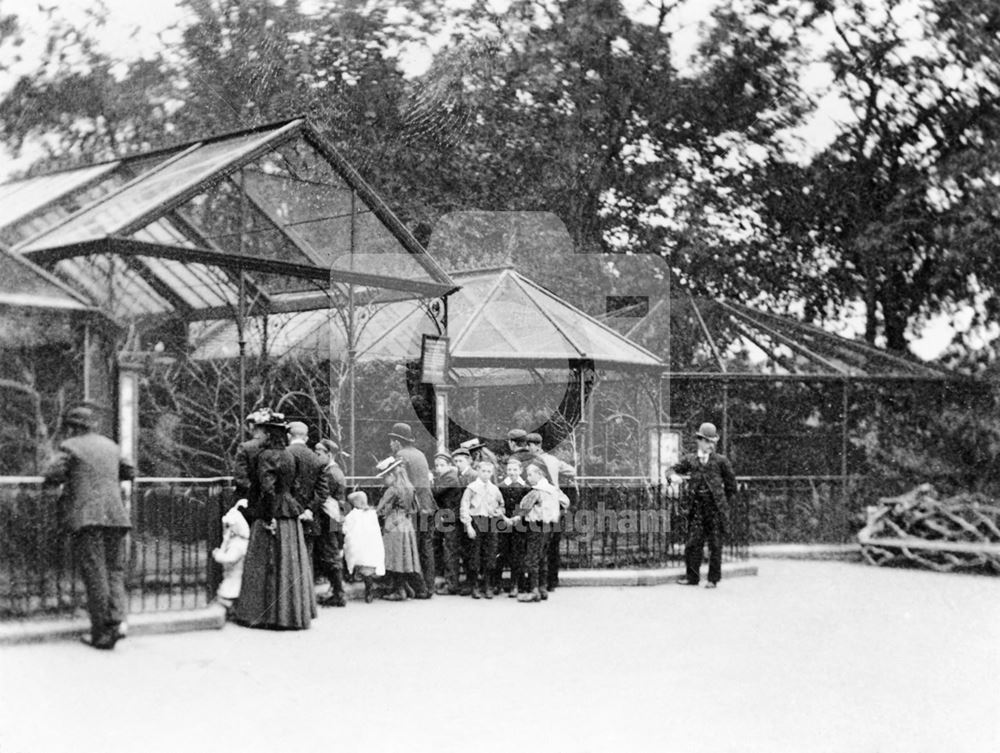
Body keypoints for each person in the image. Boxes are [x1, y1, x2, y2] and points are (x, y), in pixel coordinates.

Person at [42, 406, 135, 650]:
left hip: (87, 518)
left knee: (95, 573)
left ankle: (101, 634)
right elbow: (130, 471)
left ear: (73, 427)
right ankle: (118, 622)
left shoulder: (70, 446)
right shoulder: (111, 446)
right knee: (114, 570)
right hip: (116, 516)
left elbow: (52, 473)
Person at [232, 413, 317, 629]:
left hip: (271, 513)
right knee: (290, 563)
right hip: (289, 513)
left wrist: (269, 517)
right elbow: (296, 486)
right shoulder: (289, 455)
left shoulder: (266, 456)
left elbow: (267, 489)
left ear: (269, 434)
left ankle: (264, 615)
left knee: (265, 563)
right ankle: (291, 614)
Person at [669, 422, 737, 589]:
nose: (710, 445)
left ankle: (713, 579)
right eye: (707, 441)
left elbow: (731, 486)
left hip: (715, 510)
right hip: (697, 508)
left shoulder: (721, 461)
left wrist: (722, 503)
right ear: (699, 441)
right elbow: (670, 470)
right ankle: (692, 578)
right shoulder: (690, 460)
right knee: (693, 544)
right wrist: (673, 477)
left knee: (715, 544)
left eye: (713, 442)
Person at [388, 423, 436, 599]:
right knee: (426, 547)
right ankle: (429, 586)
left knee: (410, 547)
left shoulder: (400, 456)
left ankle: (418, 587)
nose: (390, 445)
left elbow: (403, 485)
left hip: (413, 508)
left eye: (392, 441)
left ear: (398, 442)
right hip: (427, 505)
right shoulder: (420, 454)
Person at [509, 461, 567, 603]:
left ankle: (533, 590)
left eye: (530, 474)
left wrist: (513, 519)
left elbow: (524, 508)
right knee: (543, 557)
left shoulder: (536, 491)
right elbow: (566, 502)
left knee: (532, 558)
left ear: (539, 474)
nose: (528, 478)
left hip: (535, 526)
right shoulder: (553, 489)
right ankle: (543, 588)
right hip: (549, 526)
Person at [285, 422, 331, 598]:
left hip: (288, 515)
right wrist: (310, 510)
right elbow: (323, 491)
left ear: (289, 436)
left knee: (288, 556)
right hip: (310, 518)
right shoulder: (316, 459)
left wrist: (297, 509)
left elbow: (284, 489)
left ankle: (291, 599)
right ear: (306, 438)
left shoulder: (284, 455)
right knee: (307, 555)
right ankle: (306, 597)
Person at [526, 432, 576, 592]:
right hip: (556, 503)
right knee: (551, 544)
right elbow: (572, 471)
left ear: (533, 446)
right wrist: (558, 482)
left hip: (539, 504)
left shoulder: (531, 461)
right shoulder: (553, 460)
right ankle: (551, 581)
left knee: (538, 545)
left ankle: (537, 583)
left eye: (528, 446)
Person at [374, 457, 422, 601]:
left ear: (391, 475)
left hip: (393, 525)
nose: (384, 480)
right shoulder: (409, 487)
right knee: (404, 557)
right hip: (406, 524)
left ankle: (399, 591)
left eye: (384, 477)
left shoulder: (392, 490)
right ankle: (405, 588)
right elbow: (416, 508)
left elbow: (380, 509)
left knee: (394, 559)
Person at [459, 460, 504, 599]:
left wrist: (498, 512)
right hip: (476, 521)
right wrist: (468, 525)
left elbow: (502, 505)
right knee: (474, 554)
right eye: (483, 471)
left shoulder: (494, 489)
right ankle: (474, 586)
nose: (486, 474)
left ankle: (487, 585)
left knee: (490, 554)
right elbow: (464, 506)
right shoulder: (471, 488)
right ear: (478, 471)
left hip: (490, 522)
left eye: (489, 471)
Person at [313, 438, 349, 607]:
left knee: (330, 554)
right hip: (335, 516)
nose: (316, 456)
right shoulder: (335, 471)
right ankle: (336, 590)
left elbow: (322, 496)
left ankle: (338, 593)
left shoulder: (330, 474)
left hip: (329, 517)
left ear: (329, 454)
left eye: (319, 453)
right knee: (332, 552)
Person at [342, 491, 385, 603]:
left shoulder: (352, 515)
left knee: (360, 567)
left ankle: (366, 589)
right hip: (371, 547)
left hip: (358, 548)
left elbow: (345, 529)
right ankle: (369, 590)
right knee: (368, 570)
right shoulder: (372, 514)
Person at [432, 452, 464, 595]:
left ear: (449, 466)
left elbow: (435, 492)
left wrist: (429, 481)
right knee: (446, 548)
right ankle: (447, 581)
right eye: (437, 465)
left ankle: (452, 584)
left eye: (442, 465)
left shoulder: (450, 477)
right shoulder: (444, 477)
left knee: (451, 550)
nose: (439, 468)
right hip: (446, 515)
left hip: (451, 517)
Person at [496, 456, 529, 597]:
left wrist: (518, 517)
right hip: (504, 523)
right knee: (502, 552)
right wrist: (504, 518)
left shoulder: (526, 487)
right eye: (509, 469)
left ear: (520, 470)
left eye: (515, 469)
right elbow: (497, 504)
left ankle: (515, 584)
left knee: (517, 554)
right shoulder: (501, 486)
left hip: (519, 524)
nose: (512, 472)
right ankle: (497, 583)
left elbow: (527, 506)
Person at [212, 499, 250, 616]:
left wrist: (218, 555)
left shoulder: (238, 544)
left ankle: (234, 610)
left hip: (234, 575)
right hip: (230, 573)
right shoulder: (233, 541)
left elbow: (230, 558)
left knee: (229, 593)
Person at [232, 409, 270, 524]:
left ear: (252, 426)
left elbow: (240, 476)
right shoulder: (274, 447)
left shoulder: (245, 447)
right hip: (270, 500)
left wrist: (253, 492)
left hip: (249, 500)